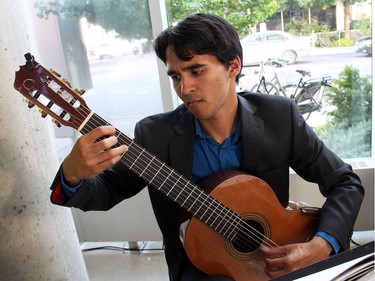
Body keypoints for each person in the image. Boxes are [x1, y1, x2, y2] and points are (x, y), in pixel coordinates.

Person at [50, 13, 364, 281]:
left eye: (196, 71)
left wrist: (321, 245)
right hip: (197, 271)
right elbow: (106, 191)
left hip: (273, 263)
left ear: (233, 67)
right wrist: (73, 174)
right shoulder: (154, 135)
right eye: (175, 76)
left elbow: (344, 182)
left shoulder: (279, 117)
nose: (184, 88)